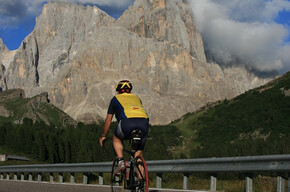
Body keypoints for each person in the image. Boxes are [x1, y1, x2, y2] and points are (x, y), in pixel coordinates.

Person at [99, 80, 149, 173]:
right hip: (144, 122)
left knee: (116, 138)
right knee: (138, 155)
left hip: (127, 122)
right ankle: (141, 185)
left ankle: (121, 161)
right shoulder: (137, 98)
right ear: (130, 91)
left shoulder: (115, 99)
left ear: (118, 91)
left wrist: (103, 135)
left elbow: (108, 121)